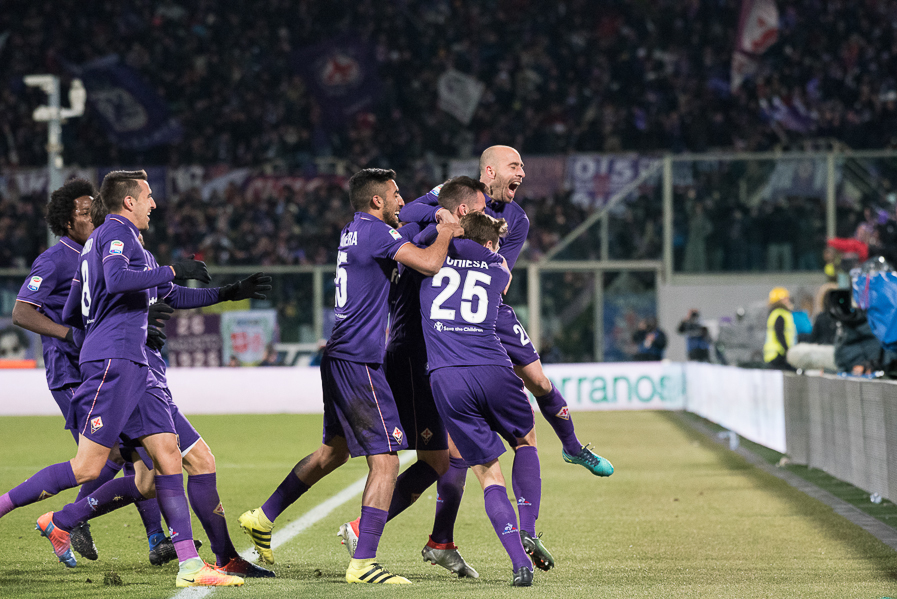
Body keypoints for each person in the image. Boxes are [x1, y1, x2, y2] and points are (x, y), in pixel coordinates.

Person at [0, 170, 240, 588]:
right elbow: (67, 304)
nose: (154, 203)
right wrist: (92, 332)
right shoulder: (109, 240)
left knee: (162, 457)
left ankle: (184, 560)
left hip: (130, 361)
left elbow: (87, 302)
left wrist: (226, 292)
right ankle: (61, 519)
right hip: (106, 364)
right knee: (95, 464)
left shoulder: (102, 247)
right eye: (148, 195)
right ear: (128, 201)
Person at [238, 168, 462, 585]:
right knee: (386, 462)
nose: (400, 201)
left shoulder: (353, 230)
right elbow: (430, 264)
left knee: (333, 454)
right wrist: (446, 228)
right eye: (395, 195)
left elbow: (407, 216)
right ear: (377, 201)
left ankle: (262, 516)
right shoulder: (379, 235)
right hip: (359, 362)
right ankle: (364, 563)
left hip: (338, 356)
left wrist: (435, 195)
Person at [400, 146, 612, 477]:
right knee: (457, 449)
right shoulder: (456, 193)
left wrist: (451, 235)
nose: (522, 173)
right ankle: (443, 527)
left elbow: (501, 277)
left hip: (488, 308)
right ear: (490, 172)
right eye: (515, 166)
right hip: (445, 311)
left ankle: (572, 447)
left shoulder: (518, 220)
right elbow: (407, 215)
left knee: (539, 382)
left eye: (523, 166)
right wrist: (439, 211)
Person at [11, 178, 181, 565]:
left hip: (106, 365)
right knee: (108, 459)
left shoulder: (100, 248)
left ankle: (155, 538)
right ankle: (73, 518)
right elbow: (22, 312)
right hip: (72, 373)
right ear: (67, 223)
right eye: (85, 213)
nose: (93, 217)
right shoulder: (57, 259)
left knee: (138, 454)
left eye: (95, 210)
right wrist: (67, 333)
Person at [334, 176, 488, 578]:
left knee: (443, 459)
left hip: (419, 359)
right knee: (396, 459)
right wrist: (441, 214)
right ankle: (366, 545)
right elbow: (425, 240)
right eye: (395, 195)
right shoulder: (406, 233)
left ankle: (436, 541)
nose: (402, 201)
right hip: (407, 358)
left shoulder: (395, 229)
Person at [420, 211, 537, 586]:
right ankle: (529, 528)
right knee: (526, 439)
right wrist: (486, 247)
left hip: (447, 377)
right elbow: (498, 261)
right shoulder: (498, 268)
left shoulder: (428, 259)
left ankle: (520, 563)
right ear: (488, 243)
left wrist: (446, 227)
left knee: (488, 474)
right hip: (493, 368)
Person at [763, 287, 796, 370]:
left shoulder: (774, 313)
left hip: (773, 355)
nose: (788, 301)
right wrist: (787, 350)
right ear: (779, 301)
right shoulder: (781, 314)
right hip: (778, 355)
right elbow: (780, 333)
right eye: (786, 299)